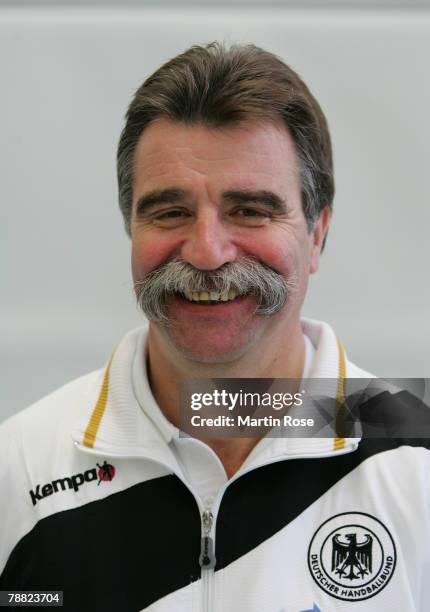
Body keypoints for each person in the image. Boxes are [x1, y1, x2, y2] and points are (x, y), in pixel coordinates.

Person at [0, 42, 428, 612]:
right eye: (170, 211)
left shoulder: (418, 460)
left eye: (250, 210)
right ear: (131, 226)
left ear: (317, 233)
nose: (206, 253)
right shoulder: (18, 469)